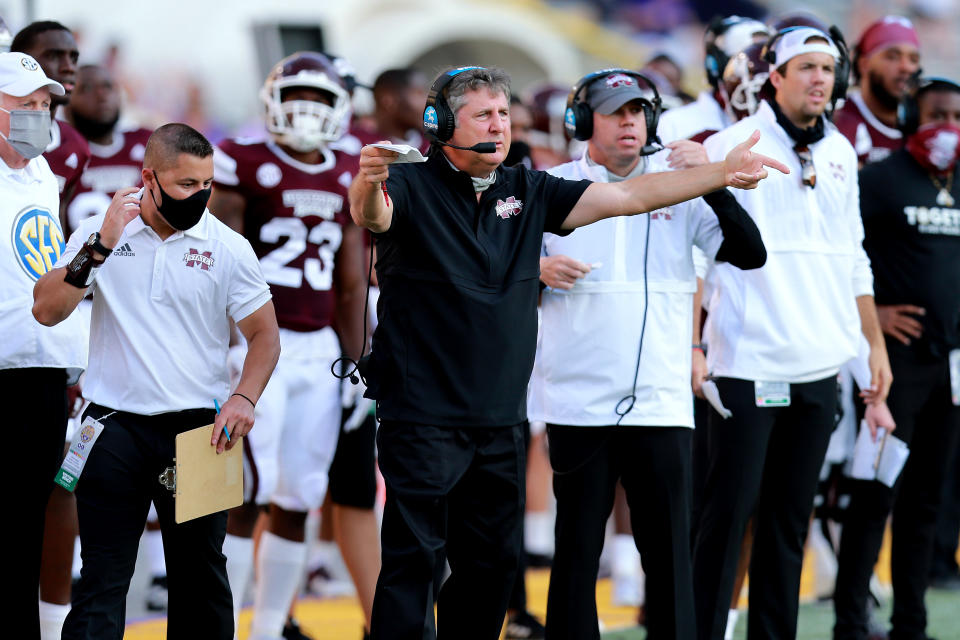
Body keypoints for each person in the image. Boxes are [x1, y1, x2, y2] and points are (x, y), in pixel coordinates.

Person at [349, 65, 787, 640]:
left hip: (501, 416)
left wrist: (719, 174)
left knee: (491, 569)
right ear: (440, 123)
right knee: (414, 562)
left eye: (504, 113)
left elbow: (630, 194)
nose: (499, 125)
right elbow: (372, 215)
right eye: (484, 114)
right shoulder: (406, 183)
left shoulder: (528, 189)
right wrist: (367, 180)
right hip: (422, 413)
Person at [529, 68, 766, 640]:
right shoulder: (549, 184)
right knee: (577, 556)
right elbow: (494, 267)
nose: (629, 122)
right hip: (576, 400)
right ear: (583, 122)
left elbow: (749, 253)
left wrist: (711, 179)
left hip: (660, 400)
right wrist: (536, 270)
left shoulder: (679, 185)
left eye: (637, 111)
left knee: (668, 558)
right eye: (614, 112)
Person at [32, 122, 280, 639]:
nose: (201, 195)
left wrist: (244, 398)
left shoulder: (227, 245)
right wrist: (100, 244)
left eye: (207, 183)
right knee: (102, 579)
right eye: (187, 184)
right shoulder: (102, 233)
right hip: (111, 428)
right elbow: (46, 310)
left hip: (200, 433)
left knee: (202, 582)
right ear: (148, 177)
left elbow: (265, 337)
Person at [690, 27, 892, 640]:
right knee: (727, 519)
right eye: (805, 67)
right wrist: (692, 348)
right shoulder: (730, 142)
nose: (819, 80)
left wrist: (871, 346)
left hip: (819, 365)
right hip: (748, 363)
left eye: (827, 69)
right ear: (773, 76)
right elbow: (699, 255)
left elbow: (851, 253)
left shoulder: (839, 151)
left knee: (788, 524)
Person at [208, 50, 366, 640]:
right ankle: (219, 624)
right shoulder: (243, 161)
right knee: (245, 490)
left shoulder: (349, 165)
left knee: (301, 493)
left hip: (318, 346)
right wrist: (223, 347)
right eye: (298, 94)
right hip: (255, 345)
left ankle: (269, 628)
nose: (308, 108)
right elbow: (215, 262)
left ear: (341, 107)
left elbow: (351, 283)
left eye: (322, 97)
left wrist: (355, 363)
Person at [833, 77, 960, 640]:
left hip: (949, 367)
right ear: (911, 116)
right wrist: (873, 315)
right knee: (875, 492)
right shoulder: (879, 180)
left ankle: (912, 622)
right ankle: (851, 620)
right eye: (937, 114)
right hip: (894, 365)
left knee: (927, 500)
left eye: (957, 116)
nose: (948, 127)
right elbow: (840, 256)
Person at [9, 21, 92, 639]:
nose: (41, 116)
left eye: (45, 107)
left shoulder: (41, 173)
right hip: (3, 364)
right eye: (27, 105)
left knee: (30, 523)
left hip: (42, 364)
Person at [11, 21, 90, 220]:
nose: (69, 67)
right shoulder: (6, 135)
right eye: (54, 56)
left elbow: (57, 226)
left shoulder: (76, 145)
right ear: (22, 61)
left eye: (73, 58)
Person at [64, 64, 153, 236]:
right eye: (87, 88)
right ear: (66, 105)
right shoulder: (60, 154)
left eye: (108, 86)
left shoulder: (148, 143)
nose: (101, 95)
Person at [657, 15, 769, 144]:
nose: (762, 71)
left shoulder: (781, 124)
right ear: (717, 67)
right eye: (748, 63)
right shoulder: (674, 124)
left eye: (765, 62)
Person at [834, 16, 920, 166]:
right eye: (893, 57)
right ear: (864, 64)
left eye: (913, 59)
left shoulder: (921, 122)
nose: (906, 67)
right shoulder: (837, 119)